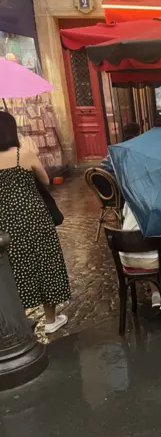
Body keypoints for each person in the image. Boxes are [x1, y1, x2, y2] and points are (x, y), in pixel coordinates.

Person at [0, 111, 71, 333]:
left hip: (7, 221)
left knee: (16, 268)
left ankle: (20, 319)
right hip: (35, 218)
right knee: (45, 264)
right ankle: (51, 320)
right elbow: (45, 179)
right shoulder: (25, 155)